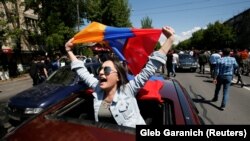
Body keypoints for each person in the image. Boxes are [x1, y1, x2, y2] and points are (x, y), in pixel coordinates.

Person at [65, 26, 175, 128]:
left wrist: (169, 40)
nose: (101, 73)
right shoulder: (97, 89)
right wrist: (69, 51)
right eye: (100, 69)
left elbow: (150, 67)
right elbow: (82, 71)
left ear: (118, 77)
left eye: (106, 70)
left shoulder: (128, 90)